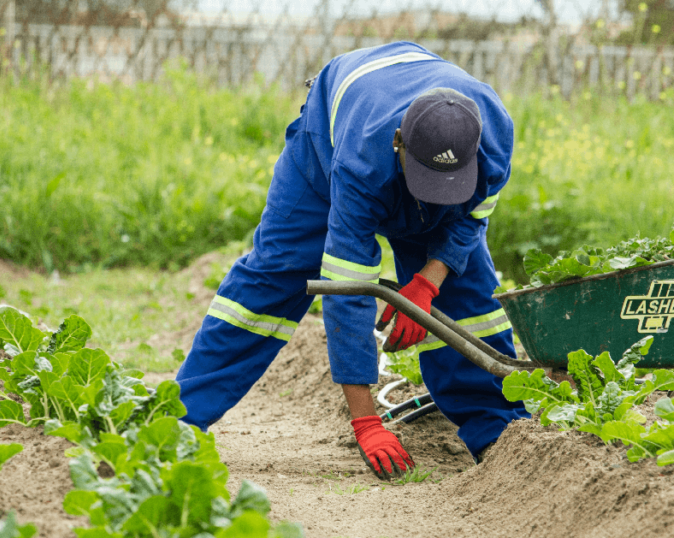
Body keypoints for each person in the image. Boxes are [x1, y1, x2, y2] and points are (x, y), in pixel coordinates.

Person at [175, 41, 529, 479]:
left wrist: (428, 282)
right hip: (327, 142)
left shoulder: (494, 137)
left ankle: (499, 431)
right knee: (276, 274)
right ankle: (180, 420)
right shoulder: (362, 161)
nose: (432, 197)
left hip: (418, 132)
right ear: (399, 145)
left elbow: (473, 216)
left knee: (465, 296)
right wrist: (365, 420)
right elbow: (349, 291)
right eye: (424, 183)